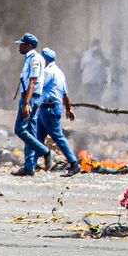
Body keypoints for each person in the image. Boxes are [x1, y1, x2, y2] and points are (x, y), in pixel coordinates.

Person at [11, 33, 51, 177]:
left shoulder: (34, 59)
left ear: (29, 46)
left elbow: (32, 82)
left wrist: (26, 103)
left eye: (22, 44)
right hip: (31, 97)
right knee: (31, 131)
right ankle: (29, 167)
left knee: (20, 129)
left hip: (30, 98)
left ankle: (44, 151)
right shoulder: (31, 58)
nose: (19, 47)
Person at [36, 48, 81, 177]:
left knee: (58, 137)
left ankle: (73, 164)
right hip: (48, 108)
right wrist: (68, 109)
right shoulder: (60, 72)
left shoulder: (48, 72)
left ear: (45, 59)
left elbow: (38, 86)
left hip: (48, 108)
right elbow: (65, 94)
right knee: (38, 137)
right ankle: (31, 164)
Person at [79, 39, 109, 104]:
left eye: (97, 45)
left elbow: (108, 64)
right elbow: (81, 68)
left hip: (98, 82)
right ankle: (89, 112)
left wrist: (101, 56)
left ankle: (95, 113)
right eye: (94, 45)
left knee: (97, 99)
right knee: (88, 99)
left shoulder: (104, 54)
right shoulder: (86, 54)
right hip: (88, 82)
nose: (95, 47)